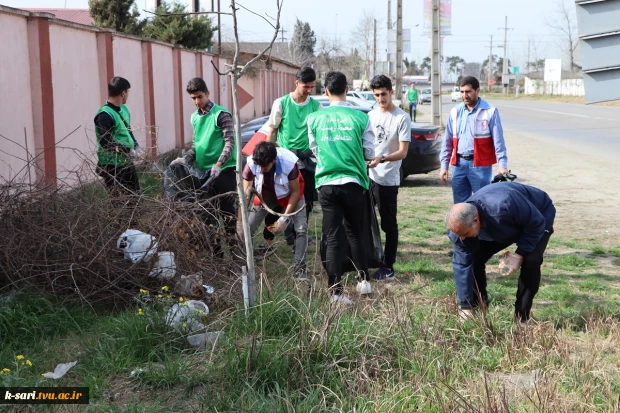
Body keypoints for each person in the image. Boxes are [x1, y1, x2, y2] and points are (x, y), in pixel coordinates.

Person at [308, 71, 377, 304]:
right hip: (354, 183)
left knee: (333, 237)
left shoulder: (315, 118)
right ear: (347, 89)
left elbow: (314, 150)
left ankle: (335, 292)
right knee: (355, 233)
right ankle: (363, 281)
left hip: (326, 184)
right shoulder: (361, 118)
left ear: (325, 91)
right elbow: (369, 152)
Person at [445, 182, 555, 323]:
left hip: (537, 215)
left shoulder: (504, 204)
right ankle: (478, 310)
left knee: (531, 260)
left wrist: (519, 254)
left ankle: (522, 319)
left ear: (476, 220)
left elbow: (536, 223)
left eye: (465, 233)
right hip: (501, 225)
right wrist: (465, 306)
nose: (461, 238)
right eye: (458, 234)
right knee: (474, 258)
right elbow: (462, 264)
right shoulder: (460, 229)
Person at [167, 78, 237, 243]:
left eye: (200, 97)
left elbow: (229, 142)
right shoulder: (195, 118)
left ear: (208, 94)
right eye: (193, 98)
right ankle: (216, 254)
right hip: (204, 172)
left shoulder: (221, 114)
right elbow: (195, 146)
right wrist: (185, 160)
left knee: (226, 212)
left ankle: (234, 248)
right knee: (207, 214)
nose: (197, 101)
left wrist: (219, 163)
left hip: (224, 170)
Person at [241, 141, 308, 278]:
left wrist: (285, 218)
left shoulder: (289, 163)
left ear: (274, 160)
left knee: (301, 229)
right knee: (247, 227)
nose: (261, 168)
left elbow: (295, 192)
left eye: (264, 166)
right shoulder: (251, 164)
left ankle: (300, 267)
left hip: (290, 194)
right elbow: (244, 195)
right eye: (259, 165)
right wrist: (239, 222)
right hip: (265, 195)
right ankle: (247, 265)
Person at [367, 75, 411, 280]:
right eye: (376, 95)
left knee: (388, 224)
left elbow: (403, 152)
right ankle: (370, 259)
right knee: (366, 221)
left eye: (383, 94)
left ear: (391, 92)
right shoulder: (370, 115)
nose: (380, 98)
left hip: (388, 178)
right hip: (368, 176)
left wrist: (382, 158)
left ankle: (388, 265)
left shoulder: (401, 117)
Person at [439, 76, 509, 204]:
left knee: (482, 204)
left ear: (477, 91)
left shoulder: (490, 112)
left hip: (480, 166)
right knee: (460, 207)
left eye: (468, 91)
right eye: (462, 92)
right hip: (458, 165)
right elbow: (447, 142)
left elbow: (498, 141)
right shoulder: (455, 112)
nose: (464, 95)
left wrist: (502, 165)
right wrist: (444, 166)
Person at [267, 66, 322, 222]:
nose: (309, 90)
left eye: (312, 87)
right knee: (279, 201)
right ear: (296, 83)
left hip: (306, 162)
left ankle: (300, 236)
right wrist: (268, 158)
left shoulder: (316, 107)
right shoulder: (281, 103)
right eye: (306, 86)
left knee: (307, 203)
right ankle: (277, 236)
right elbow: (272, 132)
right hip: (284, 161)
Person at [94, 77, 143, 194]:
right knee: (119, 200)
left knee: (135, 196)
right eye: (128, 92)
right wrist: (127, 149)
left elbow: (127, 130)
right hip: (113, 166)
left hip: (126, 162)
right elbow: (106, 142)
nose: (128, 95)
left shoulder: (124, 109)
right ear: (123, 93)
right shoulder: (104, 115)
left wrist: (136, 146)